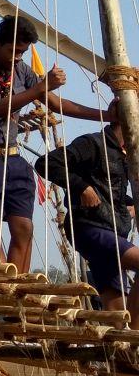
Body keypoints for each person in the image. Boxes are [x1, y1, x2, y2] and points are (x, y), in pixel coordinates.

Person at [0, 15, 110, 272]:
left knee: (24, 228)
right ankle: (5, 290)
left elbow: (57, 104)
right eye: (13, 51)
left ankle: (19, 290)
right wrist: (40, 88)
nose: (17, 57)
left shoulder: (21, 70)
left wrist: (105, 115)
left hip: (13, 158)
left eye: (22, 52)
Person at [35, 107, 137, 318]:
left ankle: (125, 347)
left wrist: (131, 206)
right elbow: (47, 163)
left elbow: (111, 192)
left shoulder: (125, 155)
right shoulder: (93, 144)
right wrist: (82, 187)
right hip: (91, 228)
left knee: (117, 310)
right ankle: (135, 336)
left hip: (113, 232)